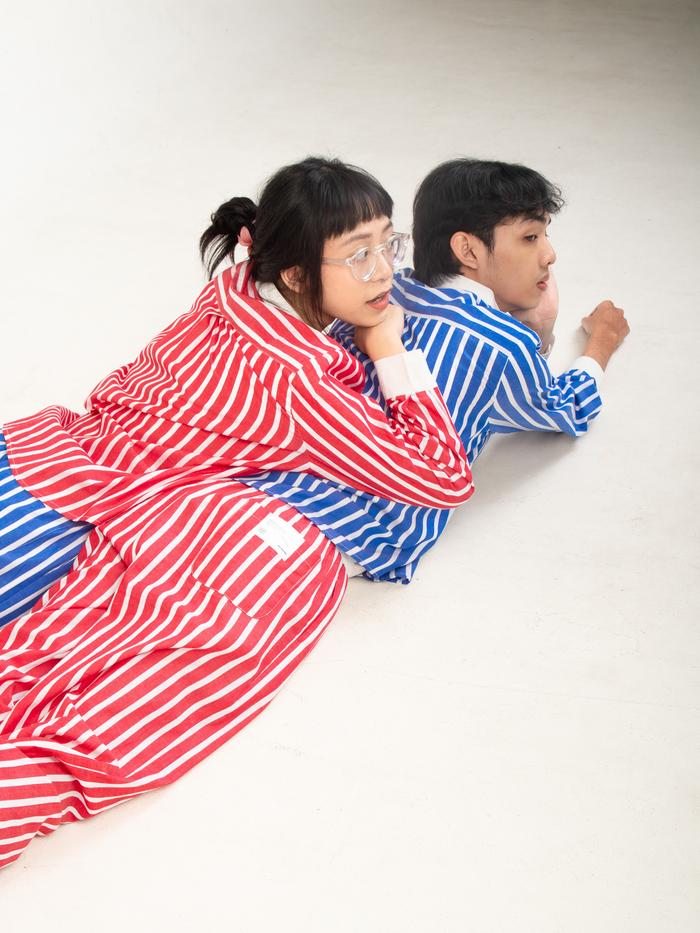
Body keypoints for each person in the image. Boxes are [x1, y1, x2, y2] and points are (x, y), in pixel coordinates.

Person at [0, 157, 473, 868]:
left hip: (36, 450)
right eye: (359, 254)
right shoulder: (297, 381)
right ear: (297, 273)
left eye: (388, 242)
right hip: (62, 514)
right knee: (49, 707)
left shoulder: (233, 285)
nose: (385, 273)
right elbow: (441, 474)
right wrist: (389, 348)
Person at [242, 159, 630, 583]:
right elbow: (567, 409)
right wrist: (600, 341)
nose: (549, 255)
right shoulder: (502, 345)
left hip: (268, 477)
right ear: (467, 250)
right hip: (360, 529)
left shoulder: (380, 288)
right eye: (530, 237)